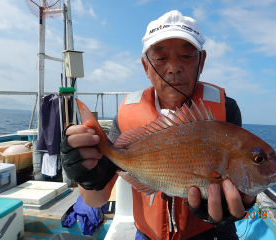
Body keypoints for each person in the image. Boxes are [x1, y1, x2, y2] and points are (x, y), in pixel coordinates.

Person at [60, 10, 256, 240]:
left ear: (201, 62)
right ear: (146, 67)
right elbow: (97, 199)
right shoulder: (126, 116)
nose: (173, 67)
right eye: (161, 58)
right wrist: (88, 175)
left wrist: (234, 206)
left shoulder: (225, 110)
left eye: (187, 56)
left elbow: (237, 178)